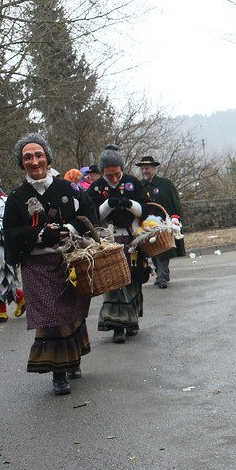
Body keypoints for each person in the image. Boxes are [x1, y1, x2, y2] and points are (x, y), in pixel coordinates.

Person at [2, 134, 97, 395]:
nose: (35, 161)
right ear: (22, 163)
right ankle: (58, 373)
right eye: (28, 157)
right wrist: (41, 235)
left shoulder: (68, 189)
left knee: (71, 311)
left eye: (39, 155)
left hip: (69, 261)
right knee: (51, 318)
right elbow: (10, 233)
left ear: (48, 157)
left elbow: (88, 215)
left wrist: (69, 229)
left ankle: (74, 358)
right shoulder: (17, 198)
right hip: (37, 266)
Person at [87, 145, 151, 343]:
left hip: (132, 240)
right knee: (113, 282)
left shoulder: (132, 183)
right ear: (103, 172)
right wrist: (108, 205)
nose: (114, 179)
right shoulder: (96, 189)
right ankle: (116, 326)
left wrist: (131, 205)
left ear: (121, 169)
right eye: (109, 175)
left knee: (132, 281)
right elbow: (91, 216)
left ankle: (131, 321)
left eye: (117, 174)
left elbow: (146, 210)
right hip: (108, 241)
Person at [134, 155, 185, 289]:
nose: (145, 171)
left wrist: (175, 218)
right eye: (143, 168)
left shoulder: (165, 184)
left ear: (154, 169)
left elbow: (175, 203)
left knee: (163, 251)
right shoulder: (139, 186)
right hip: (146, 226)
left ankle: (163, 277)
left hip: (163, 225)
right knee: (152, 251)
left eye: (148, 168)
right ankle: (160, 275)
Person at [0, 170, 24, 324]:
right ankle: (21, 299)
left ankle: (0, 311)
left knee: (1, 277)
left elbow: (2, 224)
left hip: (1, 249)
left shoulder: (2, 202)